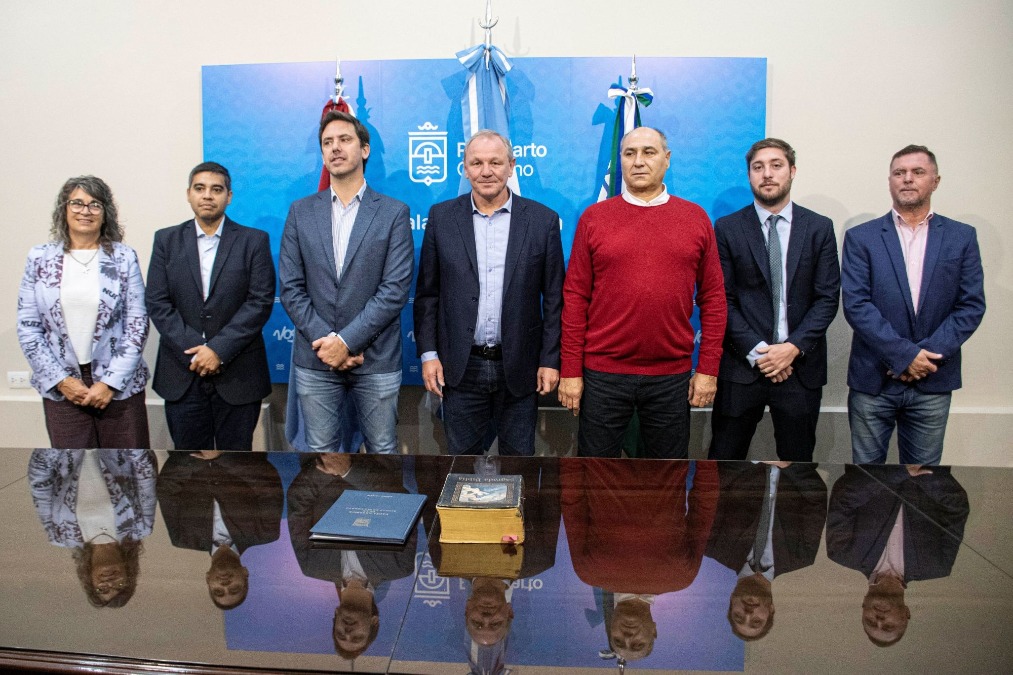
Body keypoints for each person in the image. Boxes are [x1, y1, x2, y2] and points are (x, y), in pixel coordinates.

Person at [558, 126, 727, 458]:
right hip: (603, 375)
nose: (638, 161)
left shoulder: (695, 218)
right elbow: (575, 298)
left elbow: (714, 299)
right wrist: (571, 370)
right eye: (629, 153)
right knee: (595, 474)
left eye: (649, 152)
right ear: (620, 160)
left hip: (671, 377)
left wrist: (708, 370)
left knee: (666, 476)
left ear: (667, 158)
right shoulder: (594, 218)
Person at [414, 129, 564, 456]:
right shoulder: (441, 218)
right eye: (477, 163)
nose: (486, 171)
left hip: (520, 367)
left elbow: (554, 301)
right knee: (461, 464)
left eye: (495, 162)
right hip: (460, 367)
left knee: (519, 463)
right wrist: (428, 355)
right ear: (465, 169)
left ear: (511, 166)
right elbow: (427, 295)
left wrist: (550, 360)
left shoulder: (543, 221)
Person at [842, 145, 986, 465]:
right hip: (873, 381)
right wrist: (905, 356)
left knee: (924, 483)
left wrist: (923, 358)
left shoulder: (961, 237)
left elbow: (970, 306)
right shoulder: (861, 237)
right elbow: (856, 304)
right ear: (889, 181)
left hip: (933, 380)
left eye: (918, 172)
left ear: (935, 181)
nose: (907, 179)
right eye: (899, 173)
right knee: (866, 483)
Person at [280, 110, 413, 454]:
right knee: (322, 457)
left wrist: (347, 342)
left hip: (376, 359)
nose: (335, 148)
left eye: (344, 140)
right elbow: (291, 288)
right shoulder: (300, 211)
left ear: (364, 149)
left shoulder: (393, 213)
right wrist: (329, 345)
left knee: (383, 453)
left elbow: (394, 290)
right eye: (327, 143)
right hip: (316, 358)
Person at [709, 138, 840, 462]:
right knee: (725, 468)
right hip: (743, 366)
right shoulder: (727, 228)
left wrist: (791, 349)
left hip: (799, 367)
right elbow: (721, 299)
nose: (767, 174)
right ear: (749, 175)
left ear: (792, 171)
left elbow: (826, 298)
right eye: (758, 167)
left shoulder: (819, 228)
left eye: (776, 165)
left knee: (797, 471)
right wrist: (761, 353)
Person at [146, 162, 275, 451]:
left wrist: (217, 350)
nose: (207, 195)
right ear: (188, 194)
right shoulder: (166, 240)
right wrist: (197, 351)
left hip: (238, 374)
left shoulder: (254, 241)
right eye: (200, 188)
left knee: (237, 468)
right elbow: (157, 301)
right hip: (182, 372)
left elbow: (259, 302)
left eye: (216, 189)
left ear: (229, 196)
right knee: (188, 468)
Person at [18, 176, 150, 449]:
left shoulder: (124, 257)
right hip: (63, 387)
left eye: (95, 205)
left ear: (105, 213)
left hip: (119, 386)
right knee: (70, 469)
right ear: (64, 209)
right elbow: (28, 327)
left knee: (129, 470)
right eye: (77, 203)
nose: (85, 211)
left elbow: (137, 325)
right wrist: (62, 381)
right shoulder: (39, 258)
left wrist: (110, 383)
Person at [825, 464, 969, 646]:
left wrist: (901, 472)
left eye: (870, 622)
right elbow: (957, 506)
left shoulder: (842, 552)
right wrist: (920, 471)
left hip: (874, 457)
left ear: (863, 607)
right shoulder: (937, 566)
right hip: (928, 462)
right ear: (906, 614)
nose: (879, 620)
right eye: (888, 627)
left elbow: (844, 495)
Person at [704, 461, 828, 641]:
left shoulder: (714, 546)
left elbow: (715, 486)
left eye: (738, 617)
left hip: (744, 455)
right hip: (796, 460)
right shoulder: (802, 556)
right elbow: (816, 497)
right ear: (771, 609)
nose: (748, 613)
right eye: (756, 621)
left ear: (731, 601)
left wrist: (753, 459)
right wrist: (787, 465)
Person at [29, 448, 157, 608]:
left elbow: (39, 484)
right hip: (116, 441)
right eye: (119, 585)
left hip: (63, 444)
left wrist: (60, 444)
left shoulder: (60, 536)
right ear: (129, 575)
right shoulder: (140, 527)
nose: (109, 582)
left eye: (102, 589)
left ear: (89, 581)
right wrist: (128, 442)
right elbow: (146, 475)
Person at [156, 450, 283, 610]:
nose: (225, 585)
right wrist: (220, 456)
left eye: (218, 591)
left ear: (207, 579)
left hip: (188, 449)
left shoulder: (182, 538)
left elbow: (167, 487)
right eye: (234, 589)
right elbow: (266, 482)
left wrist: (199, 458)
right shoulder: (265, 532)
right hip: (239, 448)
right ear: (245, 574)